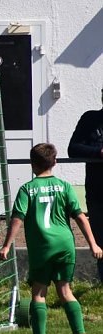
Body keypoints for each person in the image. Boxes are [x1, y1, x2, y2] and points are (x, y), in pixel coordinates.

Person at [0, 143, 103, 334]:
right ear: (54, 162)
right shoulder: (65, 186)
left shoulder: (27, 189)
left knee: (39, 292)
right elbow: (80, 217)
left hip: (42, 246)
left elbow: (17, 218)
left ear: (32, 164)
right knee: (65, 290)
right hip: (65, 244)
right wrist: (93, 244)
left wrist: (6, 246)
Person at [67, 86, 103, 283]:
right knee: (100, 239)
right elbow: (73, 149)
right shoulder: (90, 119)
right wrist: (98, 152)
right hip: (98, 193)